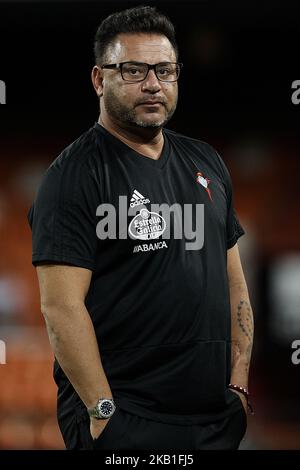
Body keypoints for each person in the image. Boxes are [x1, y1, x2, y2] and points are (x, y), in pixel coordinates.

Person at [28, 5, 254, 450]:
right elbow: (61, 309)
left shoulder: (206, 161)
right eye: (133, 70)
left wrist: (240, 388)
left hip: (213, 420)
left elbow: (235, 284)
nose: (152, 84)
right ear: (99, 79)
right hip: (126, 421)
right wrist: (102, 413)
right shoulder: (73, 176)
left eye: (164, 70)